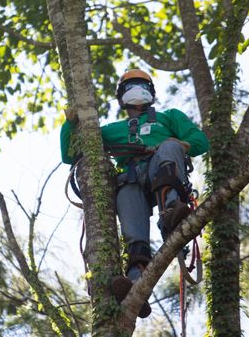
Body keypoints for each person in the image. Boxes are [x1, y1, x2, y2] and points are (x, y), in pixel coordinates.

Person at [60, 69, 209, 317]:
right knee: (132, 225)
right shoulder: (112, 130)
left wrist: (178, 144)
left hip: (163, 171)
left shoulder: (169, 117)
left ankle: (171, 213)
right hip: (132, 179)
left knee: (170, 147)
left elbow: (200, 141)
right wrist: (70, 122)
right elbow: (70, 154)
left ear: (151, 94)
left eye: (141, 85)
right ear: (121, 98)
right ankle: (135, 284)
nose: (136, 90)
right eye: (130, 86)